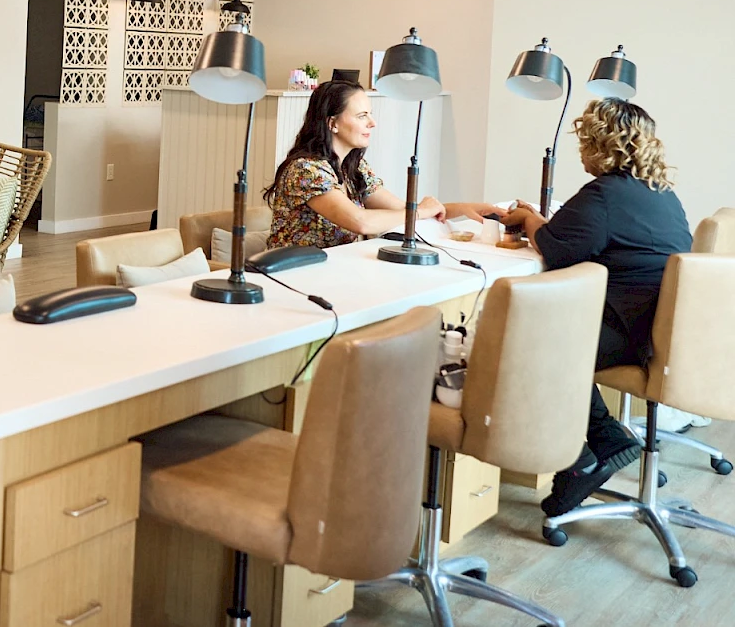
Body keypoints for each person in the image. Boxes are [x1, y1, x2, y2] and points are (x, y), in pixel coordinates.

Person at [499, 98, 692, 517]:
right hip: (660, 332)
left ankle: (589, 452)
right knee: (551, 338)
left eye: (586, 140)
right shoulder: (663, 195)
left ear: (602, 144)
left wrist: (528, 218)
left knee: (529, 345)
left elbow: (555, 248)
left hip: (627, 332)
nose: (582, 149)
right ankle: (603, 442)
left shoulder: (604, 195)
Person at [263, 80, 496, 250]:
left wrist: (463, 208)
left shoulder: (353, 167)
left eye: (370, 114)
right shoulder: (306, 170)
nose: (372, 123)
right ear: (332, 123)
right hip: (295, 278)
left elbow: (401, 210)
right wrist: (422, 211)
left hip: (336, 271)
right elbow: (361, 222)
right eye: (362, 115)